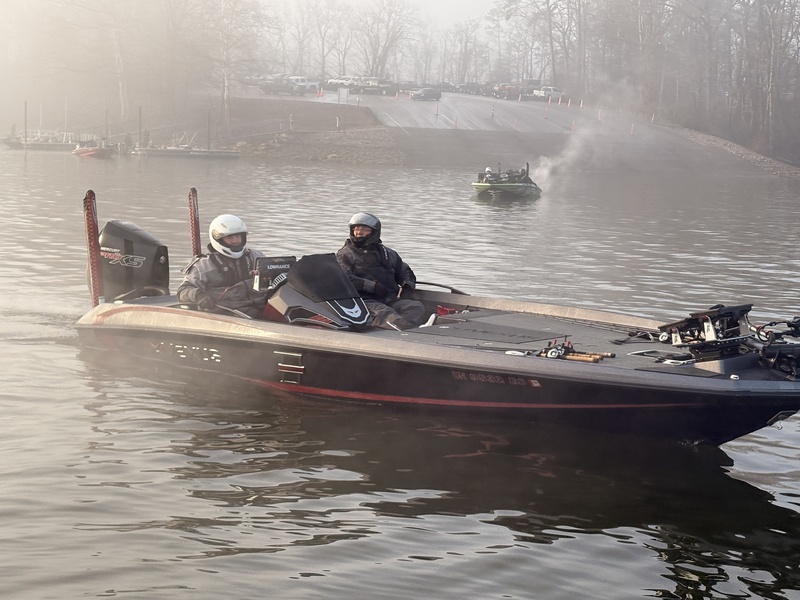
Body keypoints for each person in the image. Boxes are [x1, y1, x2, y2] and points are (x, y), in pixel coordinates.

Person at [336, 212, 428, 330]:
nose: (359, 233)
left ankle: (405, 330)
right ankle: (409, 331)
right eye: (356, 229)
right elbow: (343, 279)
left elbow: (405, 271)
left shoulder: (388, 254)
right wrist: (372, 286)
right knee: (386, 314)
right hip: (363, 302)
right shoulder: (345, 254)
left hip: (388, 300)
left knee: (416, 307)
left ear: (374, 232)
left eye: (364, 229)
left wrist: (407, 286)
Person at [177, 214, 269, 318]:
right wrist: (200, 296)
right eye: (230, 237)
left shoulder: (256, 257)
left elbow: (275, 276)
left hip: (260, 307)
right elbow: (183, 291)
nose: (235, 241)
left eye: (238, 236)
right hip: (227, 313)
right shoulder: (204, 265)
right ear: (218, 239)